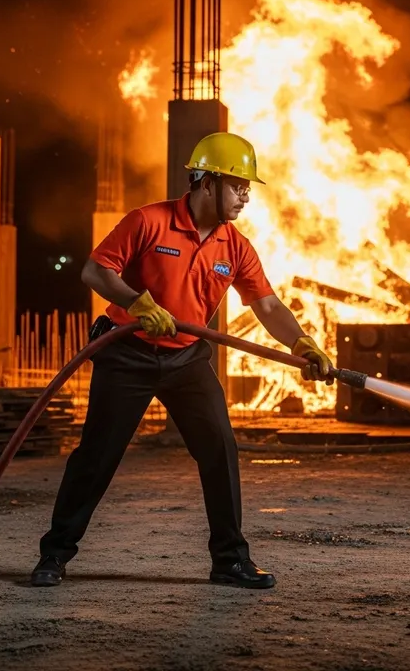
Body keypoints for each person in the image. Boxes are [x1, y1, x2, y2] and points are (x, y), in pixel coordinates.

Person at [30, 131, 333, 590]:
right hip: (126, 353)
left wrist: (302, 342)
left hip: (187, 359)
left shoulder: (236, 247)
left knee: (220, 449)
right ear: (206, 182)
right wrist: (137, 304)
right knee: (97, 456)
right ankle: (54, 555)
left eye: (248, 187)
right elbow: (96, 270)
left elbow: (267, 306)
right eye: (238, 185)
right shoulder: (148, 221)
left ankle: (229, 561)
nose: (246, 196)